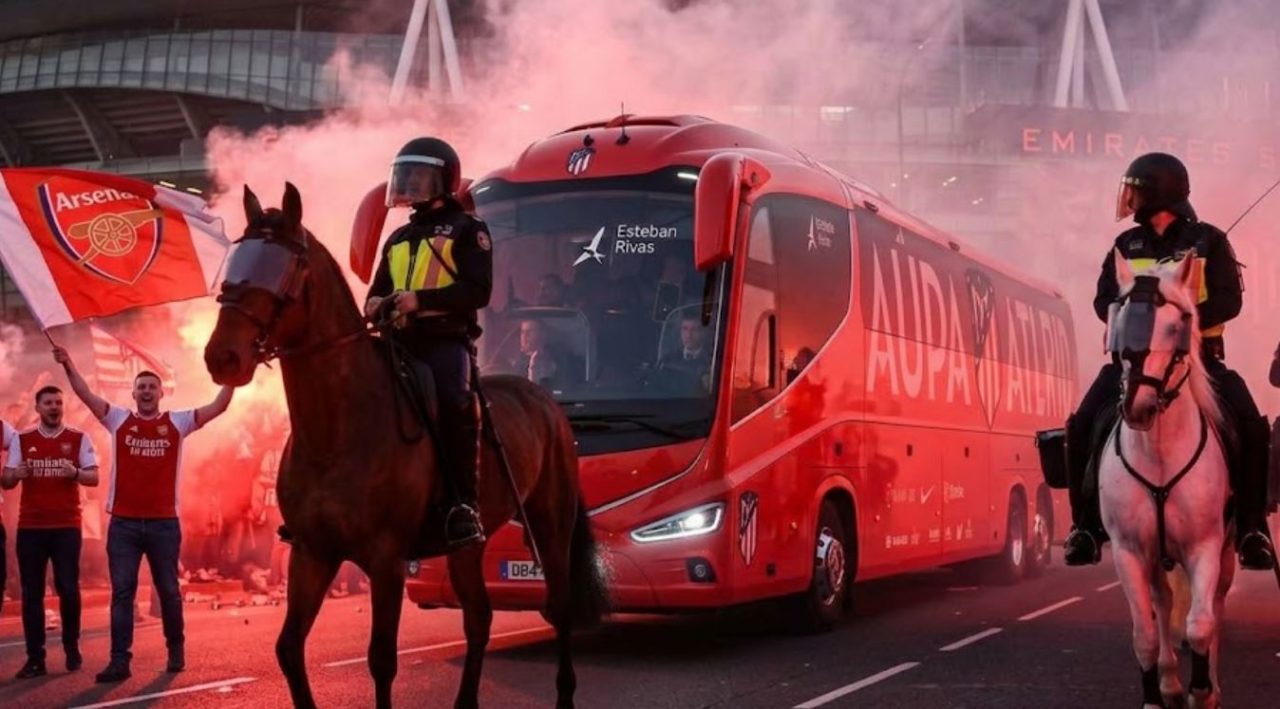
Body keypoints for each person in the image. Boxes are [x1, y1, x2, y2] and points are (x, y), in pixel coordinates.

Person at [1062, 152, 1275, 571]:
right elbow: (1103, 299)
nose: (1130, 198)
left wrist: (1182, 324)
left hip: (1199, 361)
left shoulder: (1209, 241)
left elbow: (1230, 301)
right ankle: (1084, 527)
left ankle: (1251, 529)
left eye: (1137, 190)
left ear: (1159, 193)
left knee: (1251, 424)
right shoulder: (1125, 245)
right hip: (1135, 363)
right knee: (1084, 421)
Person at [54, 346, 234, 683]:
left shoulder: (178, 422)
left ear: (161, 393)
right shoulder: (117, 418)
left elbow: (219, 405)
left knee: (168, 591)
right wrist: (68, 363)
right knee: (123, 593)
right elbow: (84, 394)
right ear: (134, 393)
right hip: (123, 524)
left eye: (152, 387)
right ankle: (119, 661)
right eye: (142, 387)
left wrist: (235, 377)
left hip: (164, 524)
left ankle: (176, 648)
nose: (147, 391)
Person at [366, 136, 492, 549]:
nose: (411, 184)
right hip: (398, 342)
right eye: (406, 176)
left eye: (420, 176)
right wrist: (374, 305)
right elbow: (374, 292)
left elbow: (478, 291)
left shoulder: (468, 230)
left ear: (445, 179)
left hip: (442, 342)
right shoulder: (397, 239)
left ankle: (463, 505)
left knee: (456, 401)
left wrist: (420, 300)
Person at [2, 385, 99, 678]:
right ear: (38, 408)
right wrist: (14, 475)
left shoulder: (79, 438)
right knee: (32, 593)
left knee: (68, 587)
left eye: (58, 402)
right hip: (31, 526)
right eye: (48, 403)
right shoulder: (23, 439)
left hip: (67, 526)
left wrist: (76, 474)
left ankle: (71, 647)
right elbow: (6, 480)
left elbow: (93, 477)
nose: (54, 407)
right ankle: (36, 659)